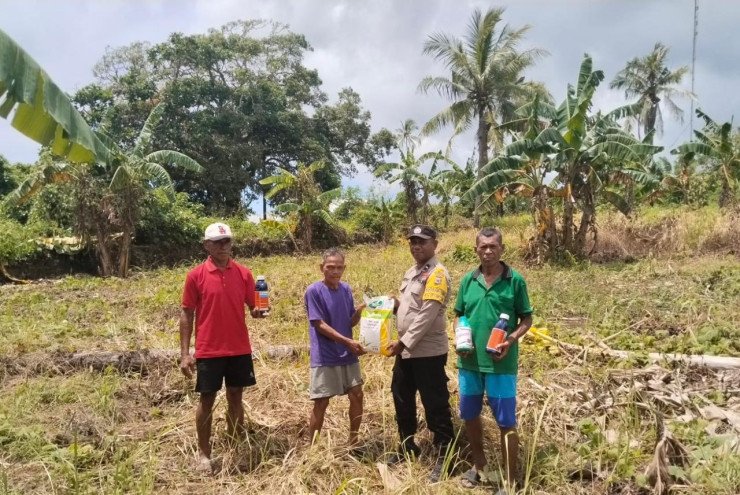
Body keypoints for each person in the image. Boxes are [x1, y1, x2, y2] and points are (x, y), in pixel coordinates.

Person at [179, 222, 267, 474]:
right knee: (207, 399)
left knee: (236, 396)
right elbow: (187, 313)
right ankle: (204, 454)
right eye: (218, 242)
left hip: (239, 347)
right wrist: (185, 354)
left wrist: (259, 311)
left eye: (227, 241)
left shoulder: (244, 273)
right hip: (209, 349)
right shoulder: (196, 275)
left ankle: (235, 444)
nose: (223, 246)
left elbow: (253, 307)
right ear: (206, 245)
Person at [453, 227, 533, 494]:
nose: (488, 251)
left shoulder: (515, 281)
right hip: (469, 363)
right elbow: (459, 314)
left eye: (493, 246)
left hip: (501, 365)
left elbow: (527, 319)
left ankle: (510, 480)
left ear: (502, 249)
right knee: (470, 415)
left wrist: (510, 340)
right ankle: (480, 466)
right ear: (476, 249)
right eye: (483, 247)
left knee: (505, 421)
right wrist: (460, 337)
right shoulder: (468, 280)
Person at [386, 224, 455, 483]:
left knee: (435, 402)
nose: (416, 246)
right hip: (405, 352)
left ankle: (445, 456)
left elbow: (427, 314)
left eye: (422, 242)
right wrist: (391, 305)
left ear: (434, 244)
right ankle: (407, 446)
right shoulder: (412, 272)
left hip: (427, 352)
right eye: (413, 242)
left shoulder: (437, 274)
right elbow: (410, 308)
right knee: (401, 397)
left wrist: (403, 343)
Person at [304, 248, 366, 450]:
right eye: (330, 267)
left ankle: (353, 442)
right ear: (321, 268)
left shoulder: (346, 289)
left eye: (339, 267)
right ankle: (313, 449)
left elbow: (350, 321)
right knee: (321, 402)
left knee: (357, 395)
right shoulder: (313, 291)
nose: (335, 271)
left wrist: (360, 311)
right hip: (326, 355)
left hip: (348, 354)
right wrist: (347, 342)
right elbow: (318, 324)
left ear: (344, 268)